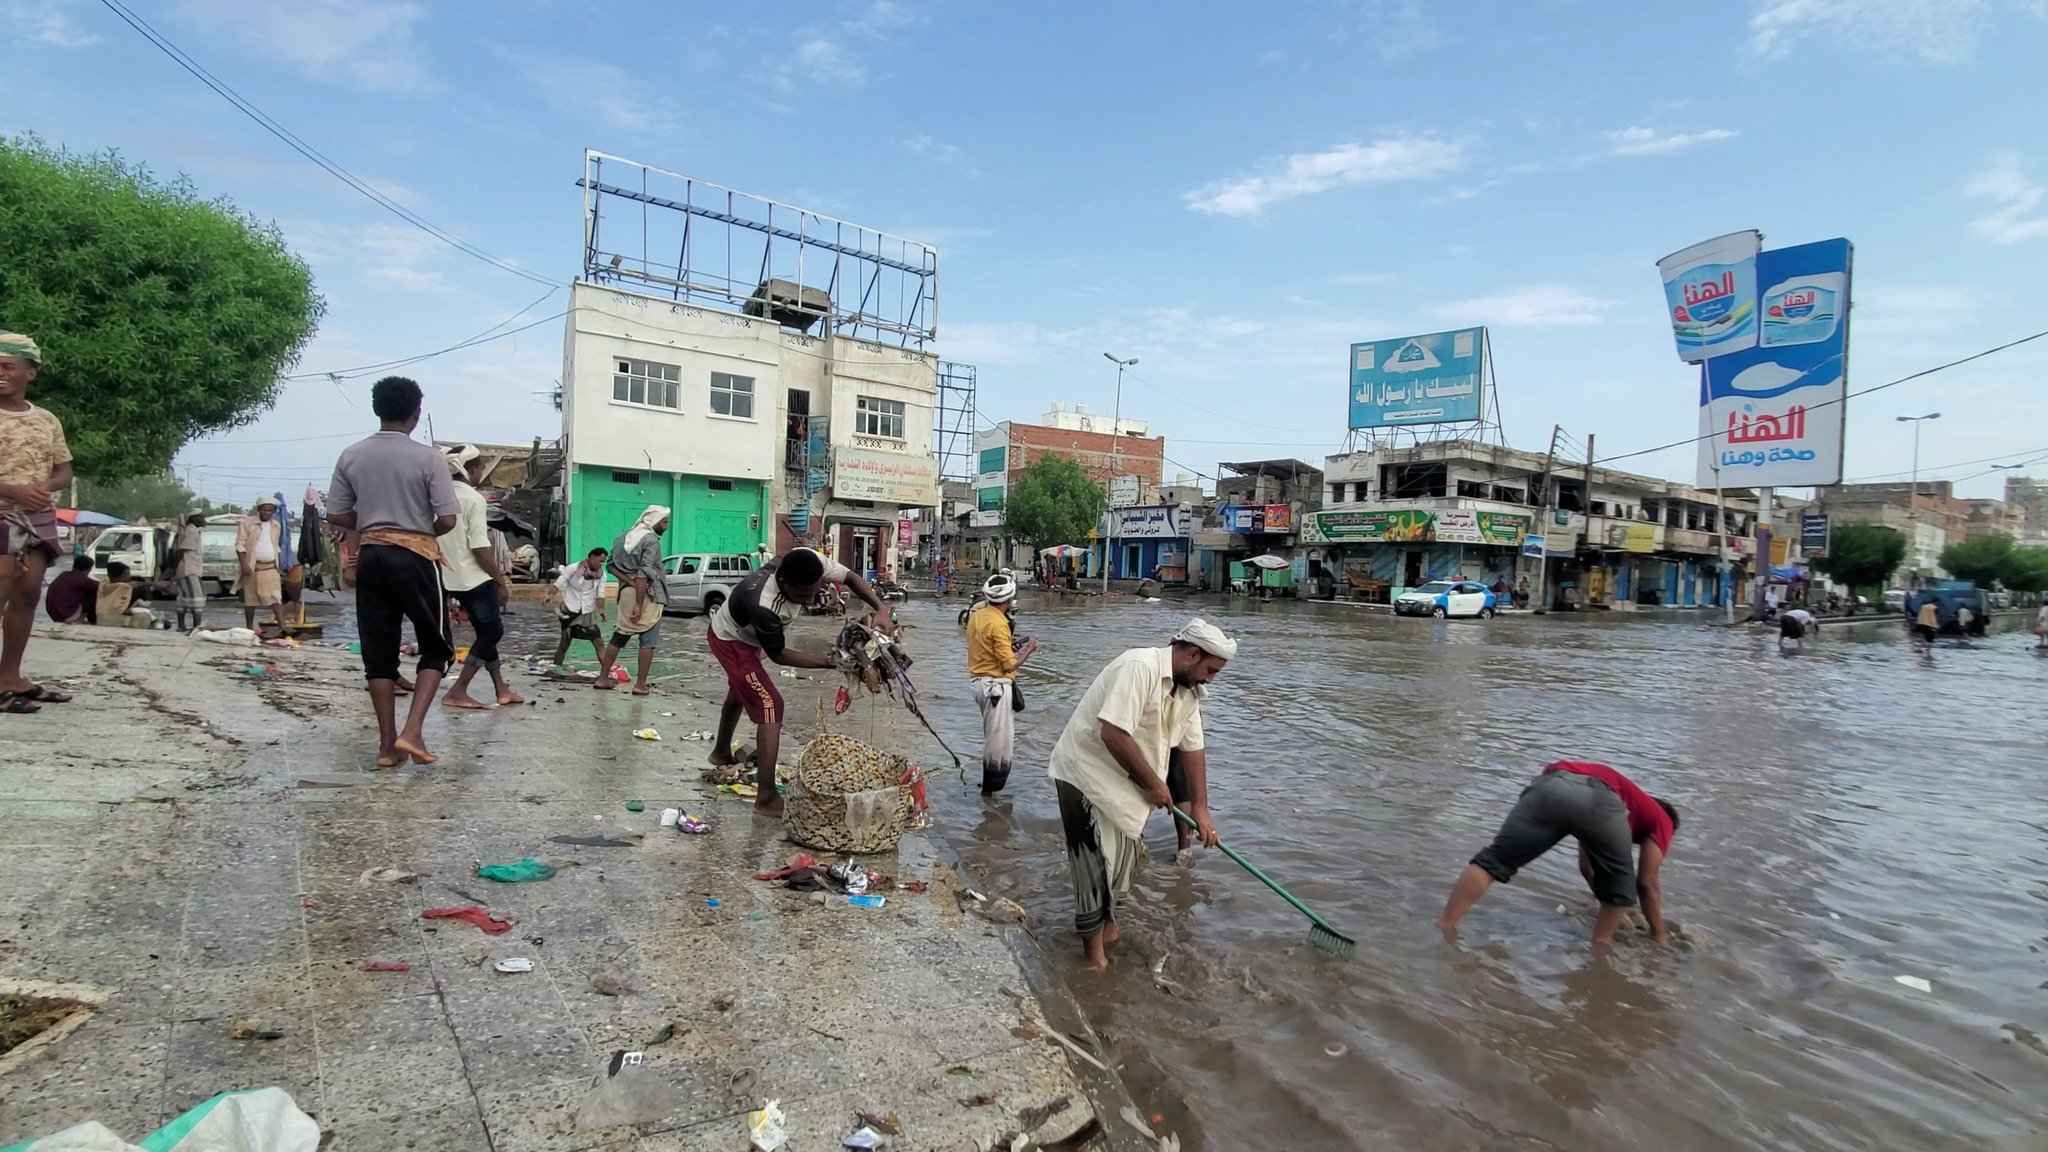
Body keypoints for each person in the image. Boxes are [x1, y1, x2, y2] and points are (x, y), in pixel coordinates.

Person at [1050, 619, 1234, 970]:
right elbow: (1114, 734)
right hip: (1086, 775)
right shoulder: (1139, 667)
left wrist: (1201, 808)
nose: (1210, 678)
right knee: (1092, 867)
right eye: (1210, 670)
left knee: (1122, 867)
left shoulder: (1188, 691)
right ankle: (1094, 962)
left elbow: (1193, 748)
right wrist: (1153, 783)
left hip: (1127, 785)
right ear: (1192, 654)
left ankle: (1108, 927)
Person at [325, 375, 460, 767]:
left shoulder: (351, 455)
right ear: (416, 414)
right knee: (437, 646)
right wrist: (417, 529)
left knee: (378, 653)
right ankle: (413, 732)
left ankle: (387, 746)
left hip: (371, 556)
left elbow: (336, 513)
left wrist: (371, 522)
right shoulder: (428, 458)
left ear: (377, 409)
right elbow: (448, 519)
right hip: (415, 556)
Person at [706, 546, 887, 816]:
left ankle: (721, 752)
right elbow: (778, 655)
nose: (809, 600)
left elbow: (850, 577)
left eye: (814, 591)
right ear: (783, 582)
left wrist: (880, 608)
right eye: (802, 595)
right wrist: (831, 661)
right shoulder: (764, 605)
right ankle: (765, 797)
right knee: (770, 704)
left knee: (741, 690)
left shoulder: (808, 559)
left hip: (749, 635)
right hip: (732, 640)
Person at [1440, 760, 1678, 951]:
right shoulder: (1663, 819)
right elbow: (1647, 883)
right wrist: (1658, 934)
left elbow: (1587, 869)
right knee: (1621, 891)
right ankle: (1600, 952)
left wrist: (1603, 896)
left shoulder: (1628, 801)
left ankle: (1445, 926)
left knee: (1493, 862)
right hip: (1600, 798)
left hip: (1552, 781)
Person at [0, 332, 74, 712]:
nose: (0, 373)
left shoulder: (46, 421)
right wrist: (13, 490)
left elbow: (64, 470)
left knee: (28, 593)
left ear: (31, 371)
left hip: (36, 516)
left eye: (8, 366)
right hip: (1, 513)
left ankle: (10, 677)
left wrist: (44, 487)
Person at [437, 445, 521, 710]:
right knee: (493, 630)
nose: (481, 473)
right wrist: (500, 579)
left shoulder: (438, 496)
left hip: (446, 576)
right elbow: (480, 549)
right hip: (472, 577)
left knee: (486, 633)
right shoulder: (473, 499)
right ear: (471, 469)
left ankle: (501, 688)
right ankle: (459, 689)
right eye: (480, 467)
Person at [966, 572, 1038, 795]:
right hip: (995, 687)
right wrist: (1028, 649)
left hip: (979, 684)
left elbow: (987, 647)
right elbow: (1008, 665)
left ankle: (988, 791)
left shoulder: (977, 615)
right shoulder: (999, 624)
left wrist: (1010, 645)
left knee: (991, 738)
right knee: (999, 746)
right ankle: (991, 798)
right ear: (1009, 600)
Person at [595, 505, 670, 696]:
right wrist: (638, 602)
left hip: (626, 592)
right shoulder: (651, 540)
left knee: (619, 636)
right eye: (664, 521)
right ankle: (640, 684)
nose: (666, 525)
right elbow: (644, 571)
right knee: (648, 640)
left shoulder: (622, 538)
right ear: (654, 521)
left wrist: (627, 581)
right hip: (646, 594)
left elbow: (610, 565)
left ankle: (603, 678)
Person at [236, 496, 288, 633]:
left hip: (270, 567)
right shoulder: (247, 523)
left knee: (275, 598)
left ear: (274, 511)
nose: (267, 513)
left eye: (270, 510)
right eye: (264, 510)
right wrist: (244, 565)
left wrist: (280, 566)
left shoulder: (276, 525)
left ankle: (283, 626)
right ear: (259, 510)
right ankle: (248, 628)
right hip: (253, 567)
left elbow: (276, 546)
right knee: (250, 600)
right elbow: (240, 546)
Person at [551, 547, 609, 669]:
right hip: (571, 610)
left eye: (603, 562)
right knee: (564, 643)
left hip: (587, 612)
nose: (601, 564)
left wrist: (602, 610)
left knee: (598, 642)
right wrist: (549, 595)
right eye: (600, 561)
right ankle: (556, 668)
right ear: (592, 557)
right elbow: (560, 582)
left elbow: (600, 593)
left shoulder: (602, 574)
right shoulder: (573, 568)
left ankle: (606, 673)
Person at [171, 513, 207, 632]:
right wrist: (175, 565)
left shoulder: (189, 530)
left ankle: (181, 626)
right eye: (201, 517)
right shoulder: (192, 531)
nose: (204, 520)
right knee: (197, 598)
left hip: (186, 568)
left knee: (183, 598)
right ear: (194, 519)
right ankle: (196, 627)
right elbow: (182, 550)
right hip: (189, 569)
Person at [96, 562, 154, 628]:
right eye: (127, 574)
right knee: (144, 615)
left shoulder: (104, 583)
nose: (129, 576)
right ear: (117, 576)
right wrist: (155, 584)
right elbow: (134, 584)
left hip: (102, 618)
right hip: (110, 618)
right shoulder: (120, 586)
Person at [46, 553, 99, 625]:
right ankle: (93, 622)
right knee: (95, 593)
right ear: (88, 569)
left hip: (54, 613)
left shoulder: (64, 574)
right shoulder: (80, 578)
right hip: (66, 614)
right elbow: (101, 586)